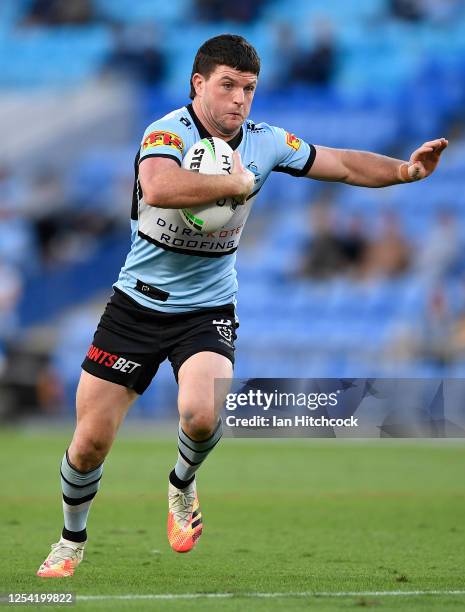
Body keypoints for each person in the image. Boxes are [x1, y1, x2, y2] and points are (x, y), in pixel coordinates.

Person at [36, 33, 448, 578]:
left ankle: (182, 483)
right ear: (198, 83)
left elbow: (342, 163)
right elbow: (156, 187)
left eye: (249, 89)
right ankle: (71, 539)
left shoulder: (265, 141)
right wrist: (225, 181)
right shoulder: (167, 131)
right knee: (88, 444)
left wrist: (405, 171)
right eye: (228, 85)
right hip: (135, 306)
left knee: (202, 414)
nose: (239, 99)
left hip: (207, 308)